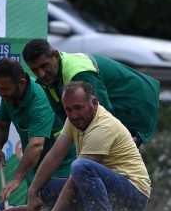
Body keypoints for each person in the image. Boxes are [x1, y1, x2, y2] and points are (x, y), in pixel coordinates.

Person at [27, 81, 150, 211]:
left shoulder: (103, 126)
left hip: (133, 196)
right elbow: (54, 155)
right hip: (105, 191)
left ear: (94, 103)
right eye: (68, 110)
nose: (73, 115)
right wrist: (32, 192)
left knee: (81, 166)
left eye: (78, 108)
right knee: (46, 187)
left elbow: (74, 180)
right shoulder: (73, 121)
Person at [0, 58, 77, 211]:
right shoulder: (9, 97)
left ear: (21, 83)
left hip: (59, 167)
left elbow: (36, 145)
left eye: (5, 88)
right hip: (37, 168)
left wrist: (17, 179)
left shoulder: (40, 100)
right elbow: (1, 125)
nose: (1, 94)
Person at [22, 39, 160, 147]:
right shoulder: (49, 80)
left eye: (44, 65)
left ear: (55, 56)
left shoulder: (79, 73)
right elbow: (67, 120)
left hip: (136, 102)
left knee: (114, 158)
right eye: (34, 70)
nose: (41, 74)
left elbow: (102, 115)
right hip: (118, 105)